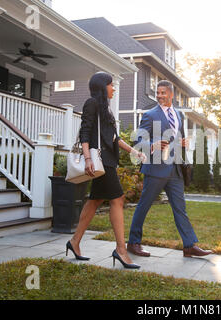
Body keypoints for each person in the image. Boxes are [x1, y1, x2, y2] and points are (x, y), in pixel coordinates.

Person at [66, 72, 146, 269]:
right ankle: (120, 250)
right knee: (117, 199)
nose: (114, 88)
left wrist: (133, 151)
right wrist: (86, 158)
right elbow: (84, 132)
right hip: (99, 161)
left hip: (107, 161)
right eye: (111, 85)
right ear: (102, 87)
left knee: (94, 201)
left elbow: (114, 139)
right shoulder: (91, 103)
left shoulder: (106, 110)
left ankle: (75, 242)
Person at [127, 80, 213, 258]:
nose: (159, 96)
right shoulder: (150, 115)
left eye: (163, 93)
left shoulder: (179, 115)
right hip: (155, 169)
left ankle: (189, 245)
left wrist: (181, 142)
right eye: (157, 93)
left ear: (171, 94)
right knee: (144, 206)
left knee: (180, 208)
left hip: (175, 169)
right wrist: (153, 144)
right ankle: (133, 242)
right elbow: (138, 141)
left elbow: (175, 138)